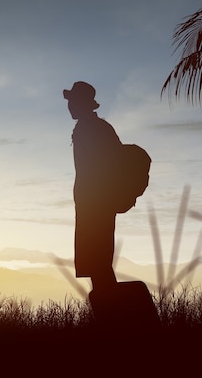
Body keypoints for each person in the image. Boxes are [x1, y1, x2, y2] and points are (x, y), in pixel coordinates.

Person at [63, 81, 122, 294]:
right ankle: (110, 309)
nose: (69, 106)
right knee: (96, 263)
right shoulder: (91, 127)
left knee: (98, 261)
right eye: (69, 102)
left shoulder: (93, 128)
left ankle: (113, 313)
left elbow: (102, 168)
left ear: (83, 103)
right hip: (92, 203)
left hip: (96, 204)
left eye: (73, 101)